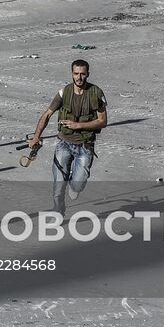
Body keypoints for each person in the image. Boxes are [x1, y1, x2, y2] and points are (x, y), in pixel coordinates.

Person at [26, 59, 108, 215]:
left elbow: (102, 121)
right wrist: (36, 136)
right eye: (76, 74)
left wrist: (78, 125)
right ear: (72, 73)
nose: (79, 77)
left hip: (85, 145)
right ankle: (58, 211)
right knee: (58, 183)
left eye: (82, 74)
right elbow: (47, 114)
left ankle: (73, 184)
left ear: (88, 74)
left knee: (77, 185)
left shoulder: (96, 93)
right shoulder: (64, 93)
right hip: (64, 143)